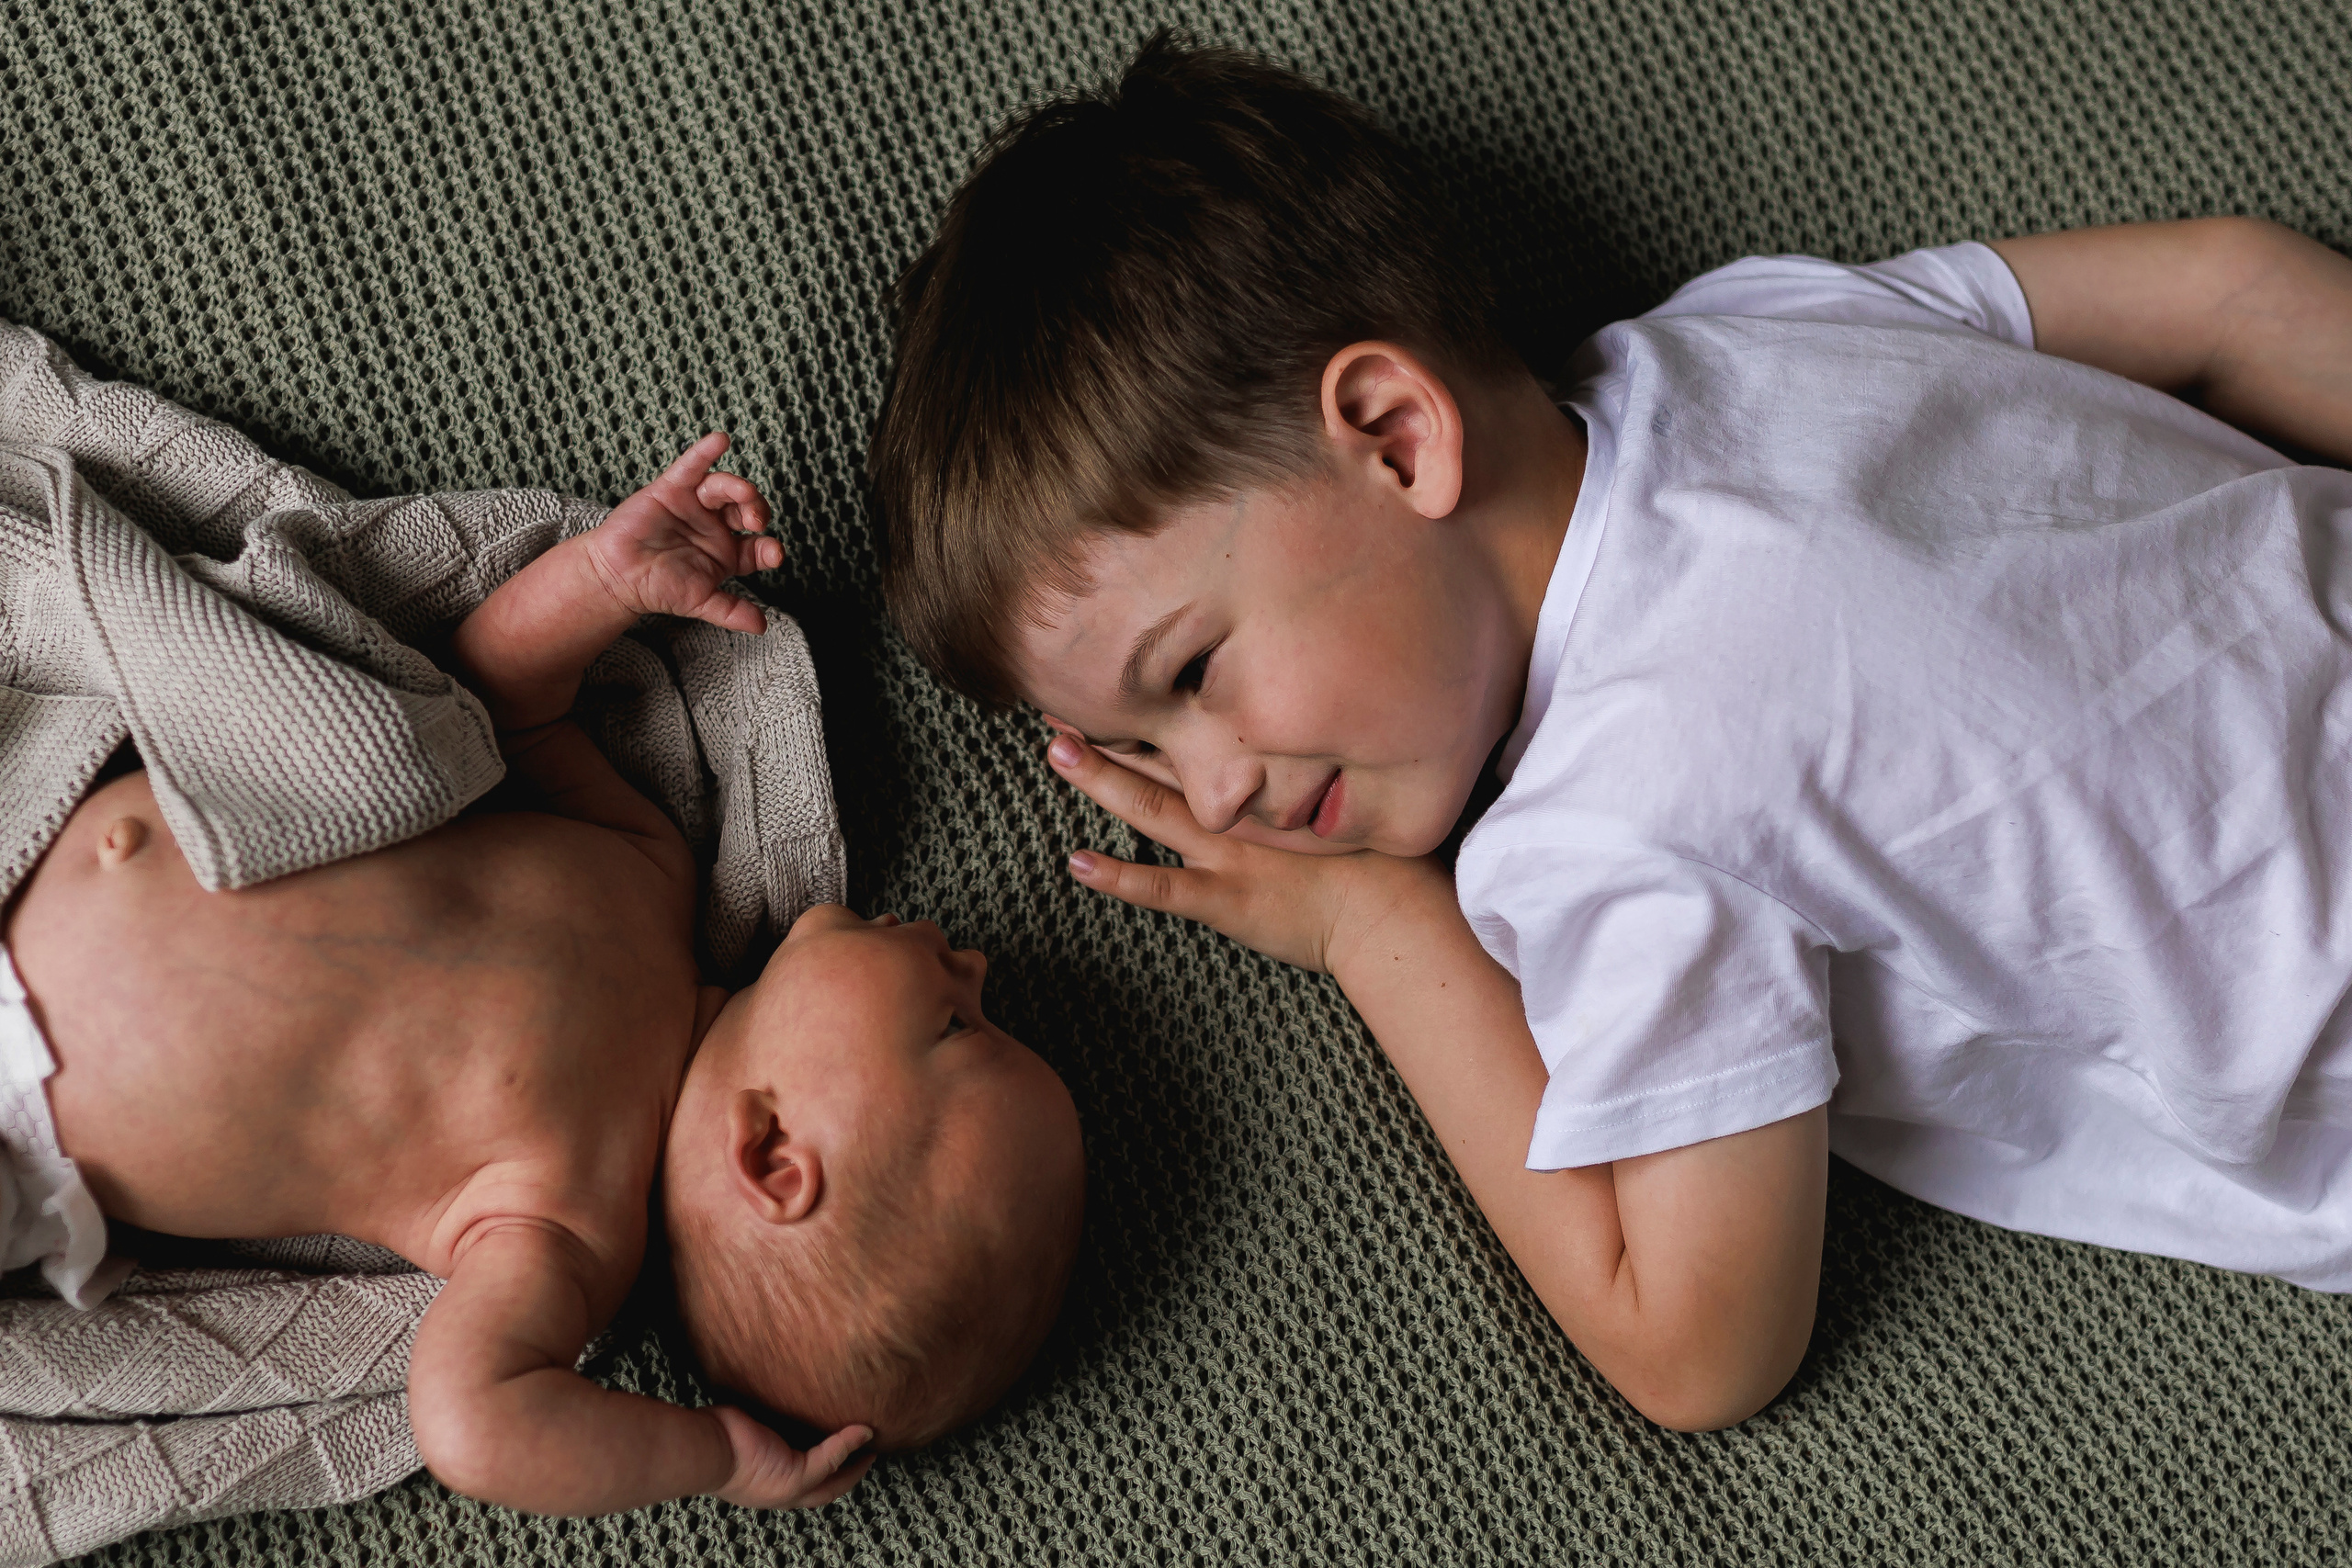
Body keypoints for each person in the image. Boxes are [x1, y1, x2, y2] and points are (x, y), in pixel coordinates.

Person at [869, 32, 2352, 1432]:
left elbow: (1696, 1345)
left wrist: (1371, 928)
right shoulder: (1741, 336)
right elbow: (2234, 291)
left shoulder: (1613, 821)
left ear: (1395, 433)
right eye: (1140, 754)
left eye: (1190, 674)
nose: (1209, 790)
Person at [4, 433, 1087, 1513]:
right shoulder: (650, 870)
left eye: (958, 1026)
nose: (975, 964)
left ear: (770, 1155)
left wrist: (714, 1457)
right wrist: (603, 581)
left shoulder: (559, 1229)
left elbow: (473, 1424)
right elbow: (497, 706)